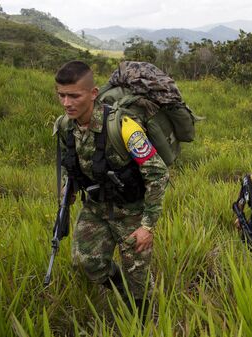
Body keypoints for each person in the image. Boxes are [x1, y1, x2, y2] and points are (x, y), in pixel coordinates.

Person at [52, 61, 169, 319]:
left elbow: (158, 173)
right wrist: (67, 190)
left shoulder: (123, 126)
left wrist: (147, 226)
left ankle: (143, 321)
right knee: (85, 263)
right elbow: (69, 163)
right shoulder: (64, 126)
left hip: (132, 212)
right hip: (95, 208)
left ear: (93, 94)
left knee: (138, 278)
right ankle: (120, 288)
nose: (66, 103)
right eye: (61, 95)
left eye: (74, 95)